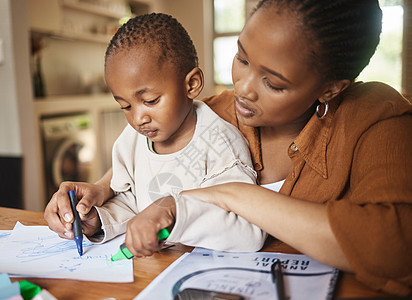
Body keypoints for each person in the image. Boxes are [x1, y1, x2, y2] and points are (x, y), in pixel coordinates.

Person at [44, 0, 412, 296]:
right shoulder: (216, 110)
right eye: (242, 58)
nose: (244, 88)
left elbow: (395, 249)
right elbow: (146, 163)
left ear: (330, 88)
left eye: (273, 82)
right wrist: (100, 190)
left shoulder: (376, 117)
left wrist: (229, 195)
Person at [44, 13, 266, 254]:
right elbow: (135, 201)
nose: (138, 119)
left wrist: (177, 215)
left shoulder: (220, 145)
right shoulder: (132, 140)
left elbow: (249, 233)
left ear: (191, 84)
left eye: (150, 100)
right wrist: (98, 220)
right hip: (154, 270)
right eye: (125, 106)